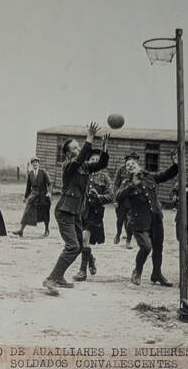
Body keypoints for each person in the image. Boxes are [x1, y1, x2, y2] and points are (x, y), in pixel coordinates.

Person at [42, 122, 109, 296]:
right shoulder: (68, 166)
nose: (78, 149)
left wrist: (104, 147)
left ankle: (59, 276)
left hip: (77, 212)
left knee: (78, 247)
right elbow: (79, 159)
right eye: (74, 148)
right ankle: (51, 278)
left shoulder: (85, 167)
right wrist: (89, 138)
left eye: (79, 146)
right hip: (65, 211)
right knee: (72, 246)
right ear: (67, 153)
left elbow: (101, 164)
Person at [115, 152, 178, 287]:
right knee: (145, 247)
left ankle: (156, 274)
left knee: (158, 247)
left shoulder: (149, 177)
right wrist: (133, 184)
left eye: (133, 164)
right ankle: (137, 271)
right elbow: (118, 196)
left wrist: (176, 164)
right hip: (139, 221)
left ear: (138, 166)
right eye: (128, 165)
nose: (130, 166)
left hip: (155, 218)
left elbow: (165, 175)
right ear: (126, 169)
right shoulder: (127, 183)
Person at [73, 148, 113, 281]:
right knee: (80, 241)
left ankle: (82, 271)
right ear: (88, 162)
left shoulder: (105, 178)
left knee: (84, 239)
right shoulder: (83, 174)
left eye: (97, 160)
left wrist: (99, 197)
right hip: (80, 210)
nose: (95, 162)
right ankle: (90, 259)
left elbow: (110, 196)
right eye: (92, 160)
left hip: (94, 212)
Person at [12, 157, 52, 238]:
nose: (35, 164)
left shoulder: (43, 172)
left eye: (36, 162)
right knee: (27, 212)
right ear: (31, 164)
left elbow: (49, 183)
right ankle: (21, 230)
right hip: (33, 196)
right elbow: (28, 187)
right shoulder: (30, 174)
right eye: (33, 163)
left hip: (43, 196)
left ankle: (47, 230)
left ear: (38, 164)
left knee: (45, 213)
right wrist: (25, 197)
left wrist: (49, 192)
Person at [113, 153, 138, 249]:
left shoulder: (138, 171)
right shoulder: (121, 170)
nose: (132, 163)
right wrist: (115, 200)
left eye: (134, 161)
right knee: (120, 220)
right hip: (121, 200)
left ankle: (128, 241)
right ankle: (118, 234)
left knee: (130, 221)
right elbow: (116, 185)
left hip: (132, 201)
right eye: (130, 161)